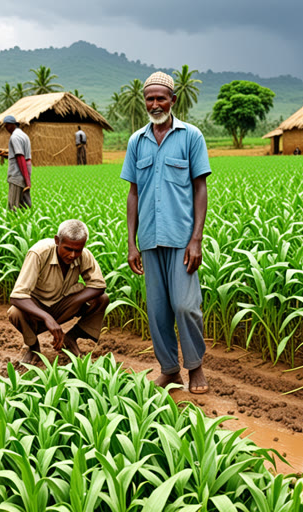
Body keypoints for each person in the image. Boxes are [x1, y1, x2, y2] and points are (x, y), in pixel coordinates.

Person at [120, 71, 211, 394]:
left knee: (186, 306)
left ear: (173, 100)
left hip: (182, 238)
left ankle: (195, 367)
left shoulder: (191, 137)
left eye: (161, 98)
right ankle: (170, 370)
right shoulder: (137, 141)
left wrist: (196, 238)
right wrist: (131, 243)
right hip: (149, 238)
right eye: (150, 98)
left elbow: (200, 188)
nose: (155, 104)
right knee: (157, 310)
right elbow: (133, 193)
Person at [8, 219, 109, 364]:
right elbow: (17, 296)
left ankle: (71, 337)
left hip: (63, 305)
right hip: (37, 308)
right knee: (15, 312)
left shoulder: (84, 255)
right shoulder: (39, 253)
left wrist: (76, 301)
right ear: (57, 240)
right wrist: (46, 318)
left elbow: (99, 285)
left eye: (78, 250)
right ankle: (33, 346)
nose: (73, 255)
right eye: (68, 249)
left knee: (101, 299)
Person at [3, 115, 32, 210]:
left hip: (17, 174)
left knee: (13, 204)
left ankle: (14, 223)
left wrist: (26, 179)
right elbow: (20, 155)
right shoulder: (24, 135)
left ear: (11, 125)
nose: (5, 128)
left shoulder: (14, 137)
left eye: (6, 125)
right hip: (25, 171)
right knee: (24, 202)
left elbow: (20, 157)